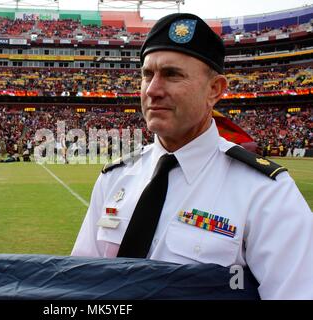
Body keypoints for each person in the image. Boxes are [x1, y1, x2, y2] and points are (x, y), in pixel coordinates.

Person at [71, 13, 313, 299]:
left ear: (215, 90)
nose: (152, 90)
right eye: (147, 74)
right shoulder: (115, 178)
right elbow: (80, 284)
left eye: (172, 75)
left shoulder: (266, 193)